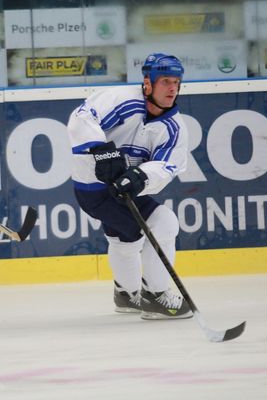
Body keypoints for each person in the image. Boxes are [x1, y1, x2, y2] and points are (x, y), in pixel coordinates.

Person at [67, 53, 193, 320]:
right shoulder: (122, 100)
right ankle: (156, 295)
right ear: (148, 83)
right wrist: (100, 150)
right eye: (165, 82)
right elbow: (81, 118)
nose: (172, 88)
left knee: (127, 236)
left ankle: (126, 294)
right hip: (93, 188)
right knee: (164, 223)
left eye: (176, 82)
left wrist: (140, 177)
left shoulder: (174, 127)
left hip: (124, 191)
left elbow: (169, 165)